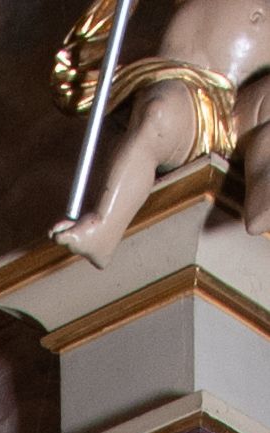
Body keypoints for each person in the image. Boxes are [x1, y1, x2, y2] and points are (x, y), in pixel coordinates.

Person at [54, 0, 270, 266]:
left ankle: (265, 188)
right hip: (190, 89)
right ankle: (104, 228)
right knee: (160, 114)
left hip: (245, 107)